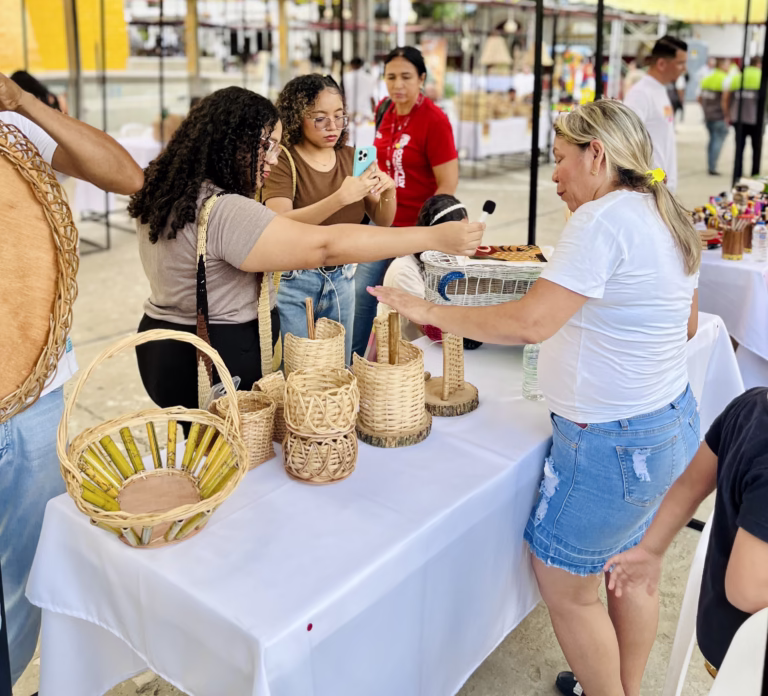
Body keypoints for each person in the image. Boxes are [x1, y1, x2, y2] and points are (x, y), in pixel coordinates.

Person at [371, 99, 701, 696]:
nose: (554, 177)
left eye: (560, 160)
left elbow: (530, 323)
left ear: (596, 155)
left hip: (613, 442)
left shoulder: (601, 221)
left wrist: (426, 309)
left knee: (566, 585)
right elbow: (687, 328)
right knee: (631, 568)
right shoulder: (663, 211)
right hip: (669, 425)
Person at [128, 86, 483, 411]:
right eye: (265, 145)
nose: (271, 158)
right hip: (211, 359)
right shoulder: (224, 209)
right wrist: (431, 237)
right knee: (232, 461)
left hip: (163, 345)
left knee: (199, 454)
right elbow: (327, 246)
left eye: (276, 145)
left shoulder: (170, 195)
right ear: (230, 142)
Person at [0, 71, 144, 687]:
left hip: (33, 404)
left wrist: (24, 102)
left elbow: (128, 176)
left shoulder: (15, 131)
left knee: (29, 576)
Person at [605, 387, 768, 679]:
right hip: (749, 655)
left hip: (719, 631)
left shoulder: (752, 404)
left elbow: (690, 485)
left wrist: (651, 549)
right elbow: (746, 589)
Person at [263, 74, 396, 364]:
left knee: (338, 370)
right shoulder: (282, 159)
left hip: (343, 277)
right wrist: (340, 197)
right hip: (294, 280)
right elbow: (278, 223)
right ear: (296, 117)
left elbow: (382, 220)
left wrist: (389, 191)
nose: (332, 126)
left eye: (339, 116)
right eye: (320, 118)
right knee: (298, 373)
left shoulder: (351, 158)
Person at [352, 46, 459, 358]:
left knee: (406, 307)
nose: (398, 84)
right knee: (362, 294)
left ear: (422, 78)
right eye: (391, 77)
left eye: (406, 77)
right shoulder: (383, 110)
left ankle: (409, 373)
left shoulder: (435, 120)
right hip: (383, 224)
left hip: (416, 231)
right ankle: (354, 366)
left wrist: (428, 236)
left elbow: (447, 185)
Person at [376, 194, 468, 341]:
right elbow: (430, 329)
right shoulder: (404, 271)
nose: (466, 243)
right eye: (460, 237)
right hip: (411, 353)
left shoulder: (452, 259)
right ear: (439, 235)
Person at [624, 35, 688, 193]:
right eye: (680, 63)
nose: (684, 69)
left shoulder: (660, 89)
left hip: (662, 189)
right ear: (661, 64)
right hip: (649, 190)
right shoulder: (640, 94)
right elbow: (625, 140)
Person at [723, 56, 763, 180]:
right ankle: (755, 175)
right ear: (759, 64)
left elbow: (726, 98)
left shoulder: (737, 77)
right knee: (756, 149)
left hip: (738, 119)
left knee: (739, 149)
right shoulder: (762, 77)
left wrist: (727, 114)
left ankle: (737, 175)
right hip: (756, 120)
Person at [698, 57, 730, 176]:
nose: (728, 68)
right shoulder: (724, 79)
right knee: (718, 140)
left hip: (708, 115)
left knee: (712, 140)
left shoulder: (707, 77)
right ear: (721, 66)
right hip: (718, 116)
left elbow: (699, 97)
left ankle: (710, 164)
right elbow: (724, 100)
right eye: (727, 65)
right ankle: (713, 167)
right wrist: (727, 115)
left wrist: (705, 110)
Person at [342, 57, 376, 146]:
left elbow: (342, 96)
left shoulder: (346, 77)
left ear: (351, 65)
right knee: (364, 144)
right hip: (365, 115)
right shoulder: (370, 78)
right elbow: (372, 98)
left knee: (349, 143)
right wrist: (375, 112)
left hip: (349, 113)